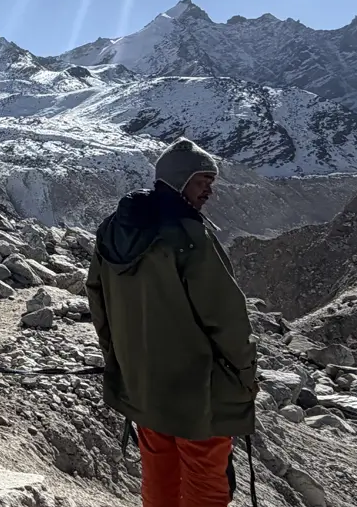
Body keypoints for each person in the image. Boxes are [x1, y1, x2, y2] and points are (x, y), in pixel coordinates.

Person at [86, 138, 258, 507]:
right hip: (195, 387)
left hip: (142, 382)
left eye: (211, 181)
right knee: (205, 480)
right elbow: (226, 315)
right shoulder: (190, 236)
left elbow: (97, 298)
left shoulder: (113, 230)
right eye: (201, 181)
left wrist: (118, 357)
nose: (209, 190)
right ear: (179, 181)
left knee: (159, 471)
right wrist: (245, 373)